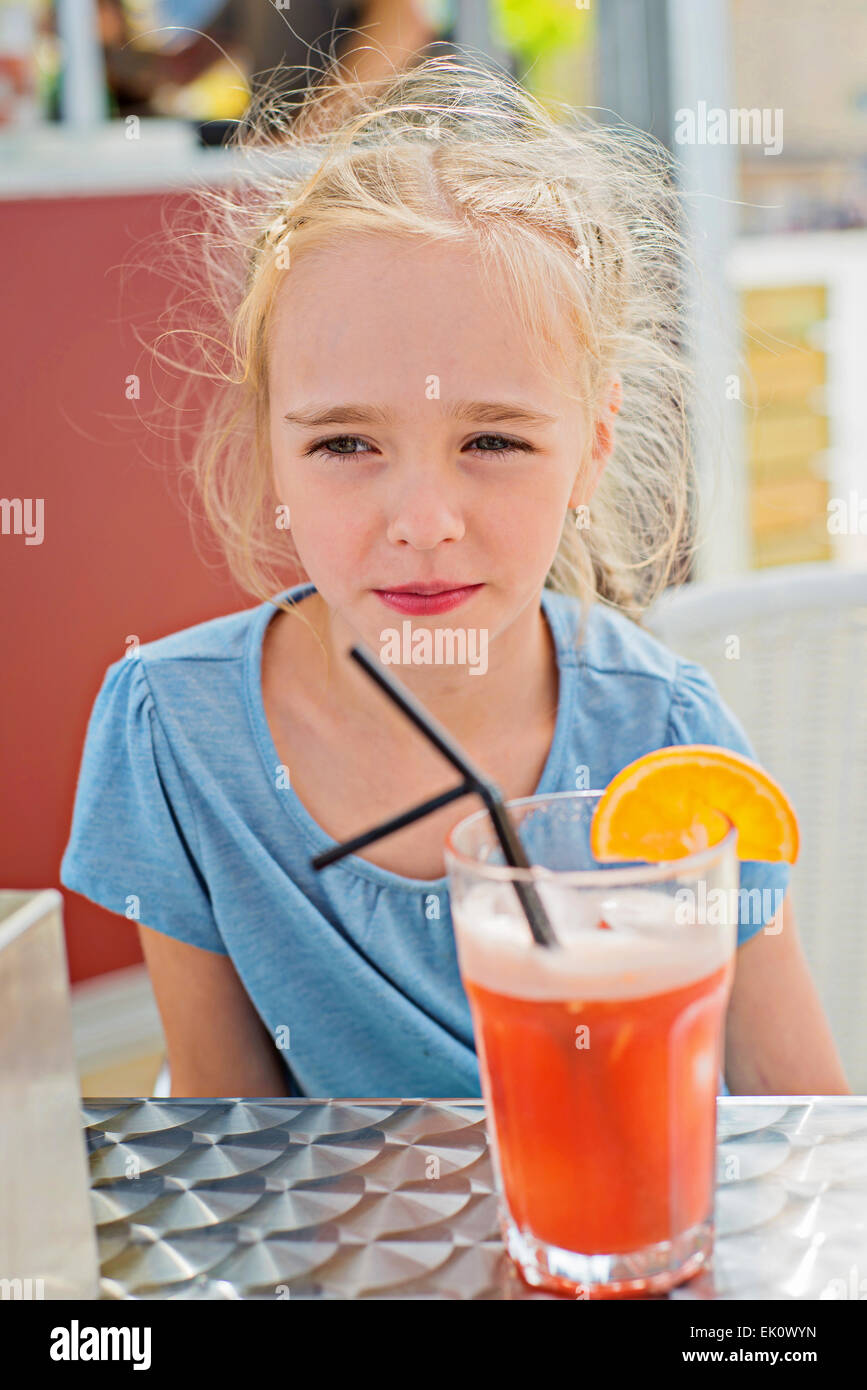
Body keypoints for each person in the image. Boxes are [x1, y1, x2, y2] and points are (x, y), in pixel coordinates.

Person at [60, 56, 849, 1100]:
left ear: (595, 444)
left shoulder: (666, 742)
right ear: (269, 447)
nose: (424, 524)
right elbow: (231, 1134)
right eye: (345, 445)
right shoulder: (173, 731)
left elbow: (805, 1126)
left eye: (492, 440)